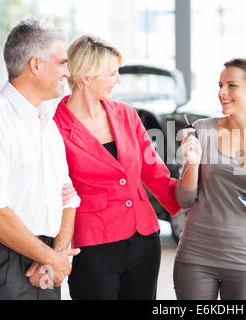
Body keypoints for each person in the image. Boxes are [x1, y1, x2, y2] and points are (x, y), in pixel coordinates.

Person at [53, 34, 181, 300]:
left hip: (144, 239)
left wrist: (195, 199)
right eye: (113, 74)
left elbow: (154, 173)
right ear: (87, 77)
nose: (119, 80)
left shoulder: (126, 114)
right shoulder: (53, 125)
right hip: (93, 244)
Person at [0, 16, 81, 300]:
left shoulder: (48, 123)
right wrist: (52, 259)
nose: (66, 73)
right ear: (36, 65)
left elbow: (68, 197)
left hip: (45, 260)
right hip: (1, 259)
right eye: (61, 63)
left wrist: (55, 256)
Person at [174, 58, 246, 300]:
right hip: (195, 258)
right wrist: (193, 163)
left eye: (231, 86)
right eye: (220, 85)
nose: (222, 93)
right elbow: (184, 200)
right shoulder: (201, 129)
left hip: (245, 262)